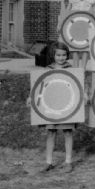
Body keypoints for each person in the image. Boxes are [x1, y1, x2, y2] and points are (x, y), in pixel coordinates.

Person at [27, 42, 76, 173]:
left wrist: (85, 95)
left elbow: (78, 86)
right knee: (50, 133)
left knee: (68, 132)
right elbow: (39, 85)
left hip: (67, 107)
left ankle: (68, 161)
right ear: (53, 55)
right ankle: (48, 162)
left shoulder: (72, 69)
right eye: (58, 55)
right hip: (52, 107)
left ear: (67, 55)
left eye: (64, 55)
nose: (61, 57)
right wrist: (31, 97)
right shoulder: (47, 69)